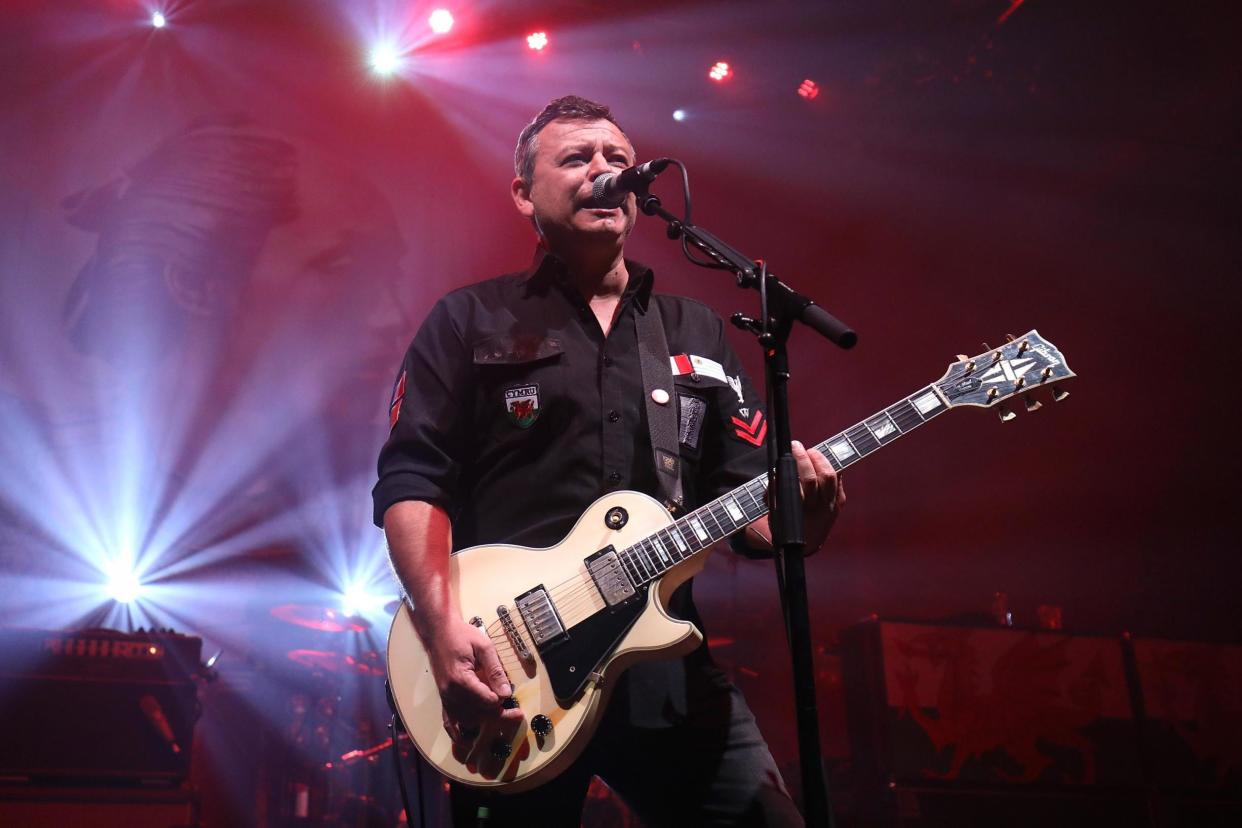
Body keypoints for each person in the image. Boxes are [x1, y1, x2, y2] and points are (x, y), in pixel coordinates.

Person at [374, 95, 845, 827]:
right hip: (510, 671)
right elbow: (412, 481)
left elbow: (745, 504)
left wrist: (801, 518)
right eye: (577, 158)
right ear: (524, 193)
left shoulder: (695, 329)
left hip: (666, 668)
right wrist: (440, 631)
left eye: (618, 159)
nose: (606, 171)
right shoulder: (470, 319)